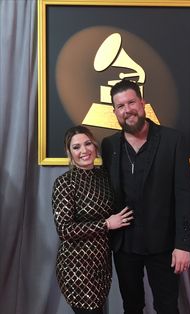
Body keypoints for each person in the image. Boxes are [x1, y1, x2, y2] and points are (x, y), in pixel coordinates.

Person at [101, 79, 190, 314]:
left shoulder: (173, 140)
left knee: (167, 306)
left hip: (164, 246)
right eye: (120, 106)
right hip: (124, 246)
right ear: (115, 112)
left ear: (142, 103)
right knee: (131, 306)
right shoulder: (109, 145)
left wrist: (183, 245)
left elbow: (184, 195)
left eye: (131, 102)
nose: (127, 109)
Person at [52, 125, 133, 314]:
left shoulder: (104, 177)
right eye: (76, 147)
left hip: (101, 266)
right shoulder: (65, 183)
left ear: (95, 146)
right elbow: (64, 230)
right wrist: (106, 224)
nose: (84, 151)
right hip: (76, 268)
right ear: (69, 153)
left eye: (87, 143)